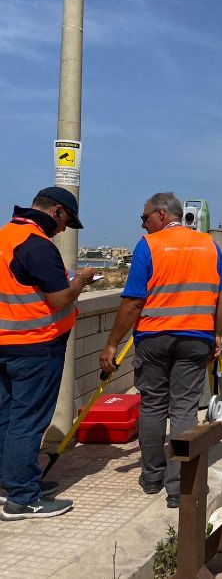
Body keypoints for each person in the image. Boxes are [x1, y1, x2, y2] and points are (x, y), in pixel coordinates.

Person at [98, 193, 222, 509]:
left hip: (153, 339)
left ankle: (152, 478)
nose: (143, 225)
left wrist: (112, 342)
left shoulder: (149, 246)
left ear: (161, 214)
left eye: (145, 218)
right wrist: (216, 334)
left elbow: (132, 301)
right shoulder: (208, 245)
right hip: (196, 339)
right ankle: (178, 486)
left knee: (154, 406)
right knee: (185, 409)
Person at [0, 187, 95, 520]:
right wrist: (81, 280)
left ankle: (10, 483)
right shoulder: (37, 245)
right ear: (56, 211)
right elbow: (59, 299)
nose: (64, 230)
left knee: (8, 419)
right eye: (66, 221)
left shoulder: (6, 236)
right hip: (35, 347)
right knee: (27, 423)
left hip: (7, 343)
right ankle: (23, 498)